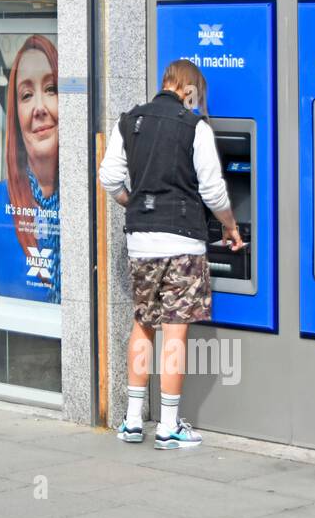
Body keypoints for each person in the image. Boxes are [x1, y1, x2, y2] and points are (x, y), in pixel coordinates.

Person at [98, 59, 244, 449]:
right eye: (197, 97)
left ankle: (131, 422)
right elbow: (213, 192)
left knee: (143, 325)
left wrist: (132, 204)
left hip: (141, 242)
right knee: (175, 332)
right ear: (188, 89)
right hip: (182, 243)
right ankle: (167, 425)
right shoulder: (194, 128)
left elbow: (109, 176)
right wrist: (230, 226)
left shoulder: (129, 121)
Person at [0, 35, 60, 304]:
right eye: (27, 95)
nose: (40, 108)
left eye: (51, 89)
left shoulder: (84, 196)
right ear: (15, 116)